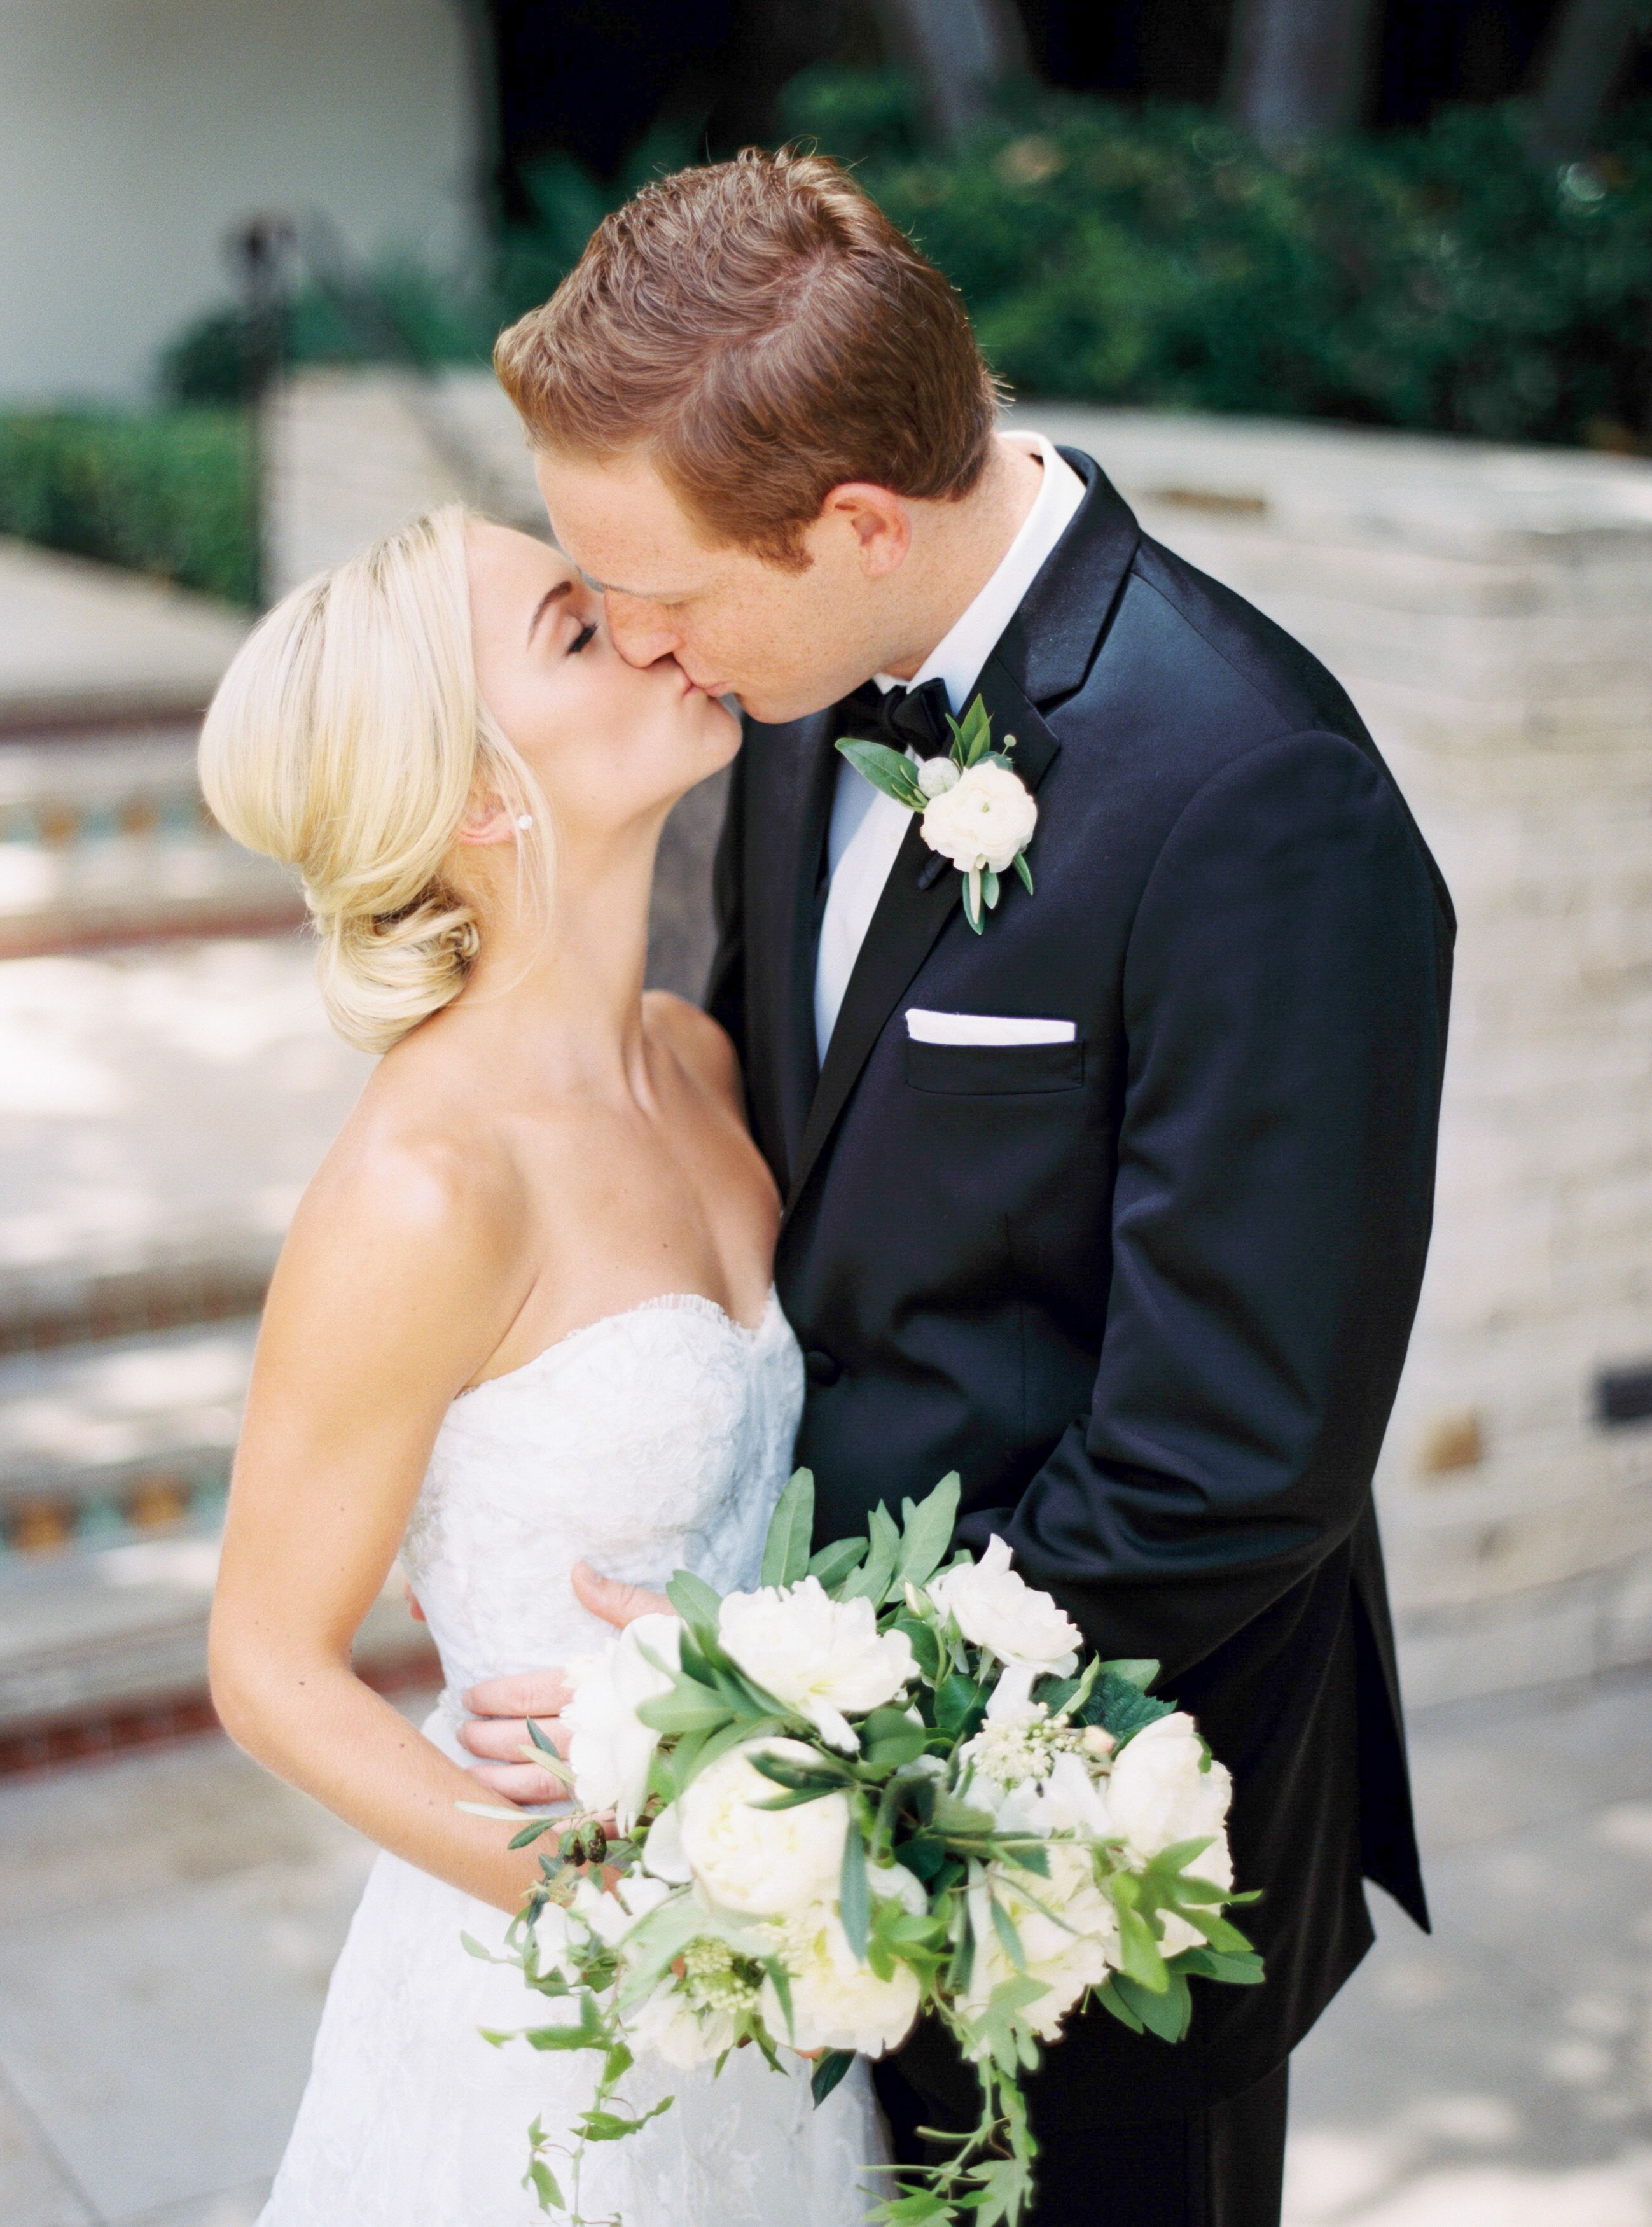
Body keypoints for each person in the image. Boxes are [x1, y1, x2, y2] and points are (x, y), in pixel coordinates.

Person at [461, 148, 1454, 2227]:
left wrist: (772, 1730)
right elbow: (777, 1163)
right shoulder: (792, 683)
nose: (632, 641)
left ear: (858, 524)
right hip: (778, 1846)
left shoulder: (1260, 800)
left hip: (1080, 1849)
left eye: (660, 588)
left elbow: (1234, 1462)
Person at [200, 505, 889, 2224]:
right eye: (584, 630)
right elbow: (265, 1663)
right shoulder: (424, 1192)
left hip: (780, 1971)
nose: (658, 624)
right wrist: (607, 1887)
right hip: (552, 2011)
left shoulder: (698, 1055)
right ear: (479, 796)